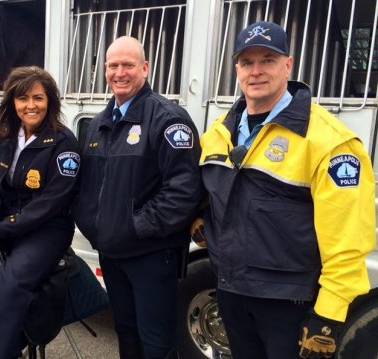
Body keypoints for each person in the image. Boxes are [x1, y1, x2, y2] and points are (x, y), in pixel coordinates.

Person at [197, 21, 376, 358]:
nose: (256, 71)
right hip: (232, 291)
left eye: (268, 60)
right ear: (236, 68)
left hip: (290, 303)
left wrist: (328, 316)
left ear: (288, 65)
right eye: (247, 62)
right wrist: (199, 221)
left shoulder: (329, 142)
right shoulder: (219, 132)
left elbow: (348, 240)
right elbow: (207, 190)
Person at [73, 36, 204, 359]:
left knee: (156, 342)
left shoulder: (168, 119)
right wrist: (95, 227)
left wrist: (134, 227)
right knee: (126, 332)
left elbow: (183, 191)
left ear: (144, 68)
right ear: (105, 70)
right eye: (113, 65)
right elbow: (88, 185)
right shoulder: (100, 123)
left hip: (151, 255)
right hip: (112, 253)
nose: (120, 72)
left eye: (128, 65)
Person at [0, 65, 81, 359]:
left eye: (38, 98)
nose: (30, 105)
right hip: (3, 220)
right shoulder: (6, 136)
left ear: (50, 102)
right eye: (22, 98)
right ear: (12, 103)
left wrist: (2, 228)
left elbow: (53, 202)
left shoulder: (64, 143)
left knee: (12, 280)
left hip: (47, 229)